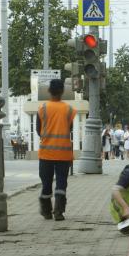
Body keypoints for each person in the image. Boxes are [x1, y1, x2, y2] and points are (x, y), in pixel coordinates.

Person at [36, 79, 77, 221]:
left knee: (46, 183)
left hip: (46, 153)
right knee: (61, 183)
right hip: (64, 154)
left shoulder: (43, 108)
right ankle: (58, 212)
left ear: (49, 91)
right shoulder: (69, 110)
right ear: (62, 92)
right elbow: (70, 128)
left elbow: (38, 130)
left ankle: (46, 211)